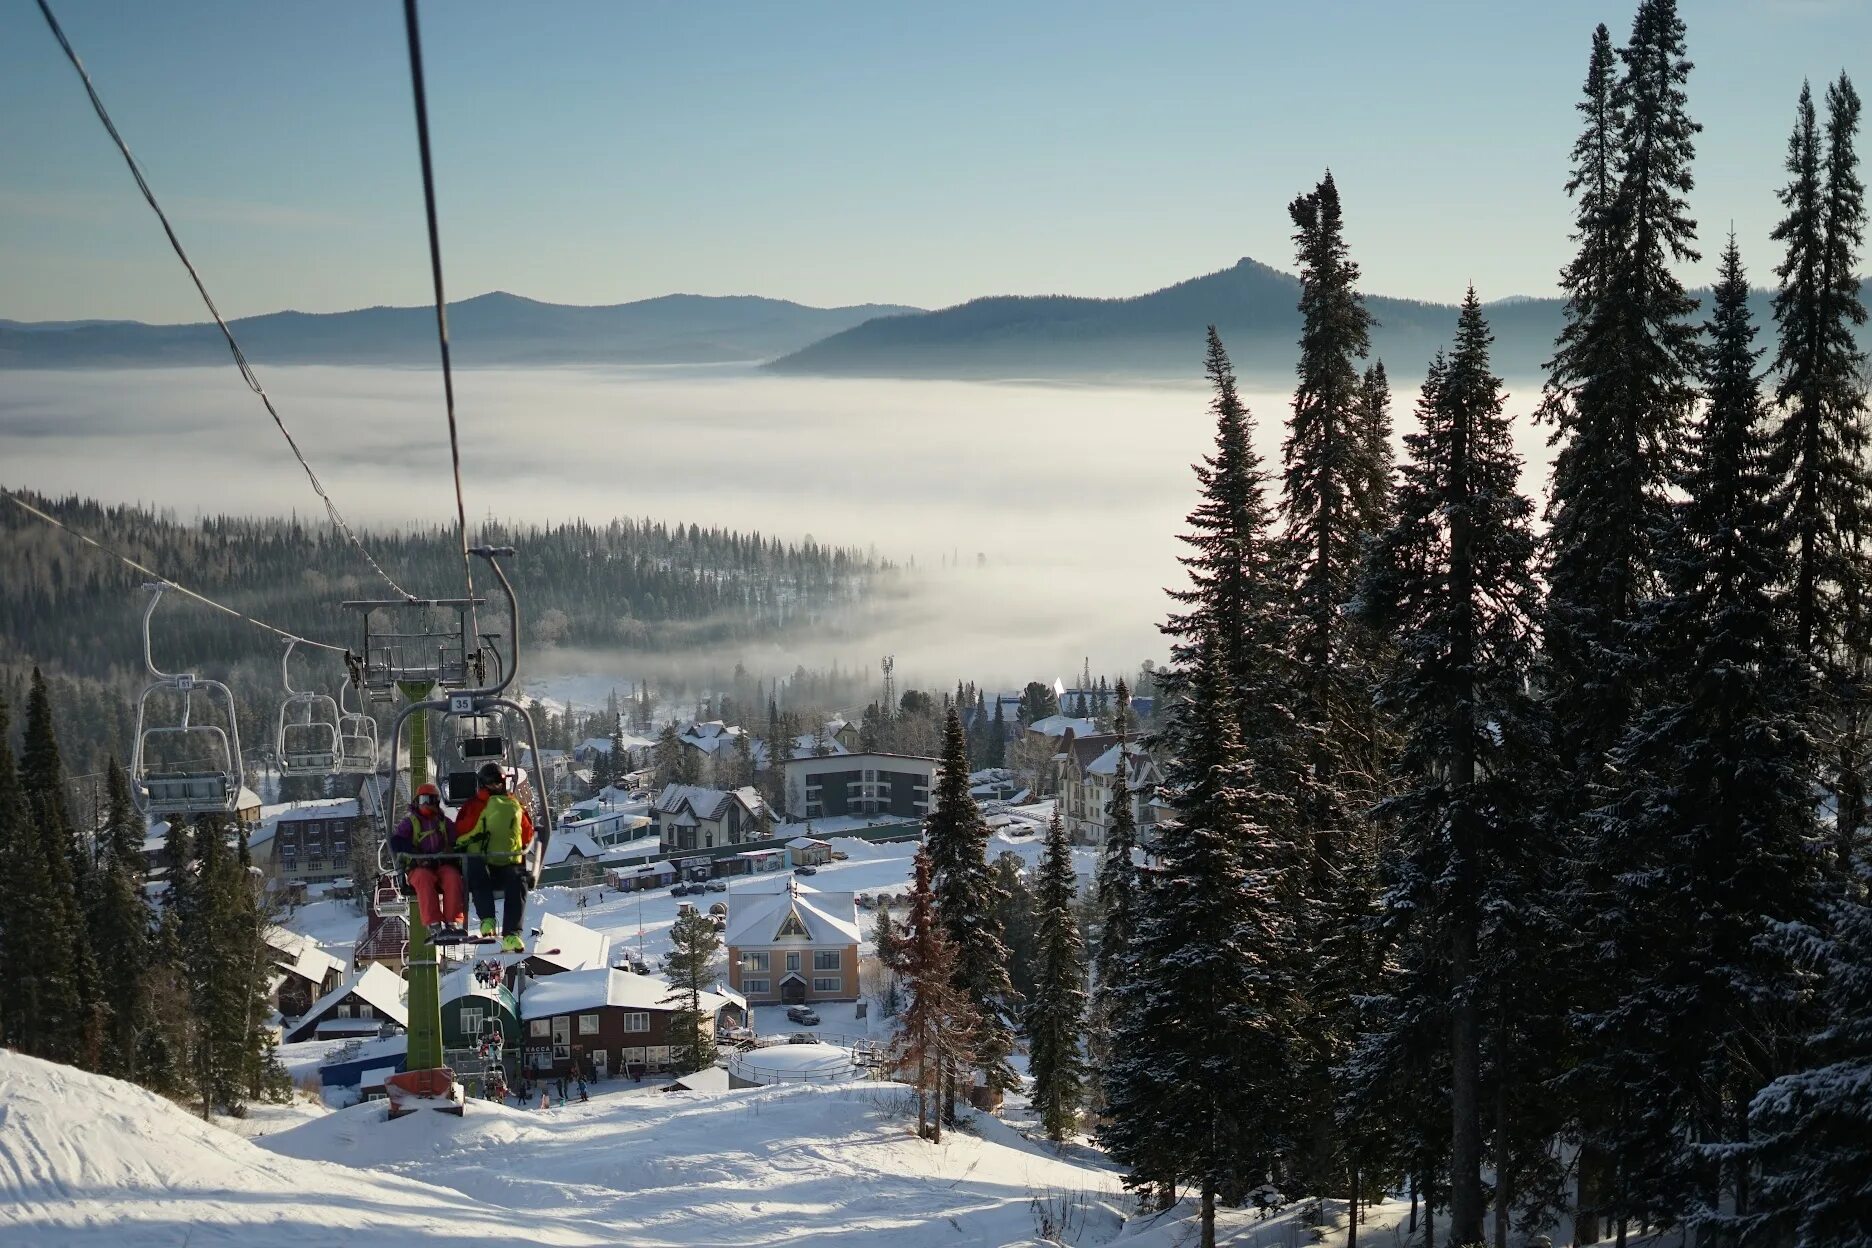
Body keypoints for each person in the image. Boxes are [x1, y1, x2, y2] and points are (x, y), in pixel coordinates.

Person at [456, 761, 535, 952]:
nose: (495, 787)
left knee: (518, 878)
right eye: (491, 783)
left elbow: (526, 833)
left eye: (498, 783)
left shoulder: (513, 804)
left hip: (506, 863)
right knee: (476, 869)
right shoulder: (474, 806)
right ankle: (487, 920)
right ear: (483, 784)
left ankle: (512, 934)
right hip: (482, 865)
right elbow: (460, 831)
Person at [389, 782, 466, 941]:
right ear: (417, 802)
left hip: (441, 865)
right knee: (424, 878)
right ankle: (434, 924)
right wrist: (414, 851)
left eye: (430, 800)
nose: (426, 804)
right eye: (423, 800)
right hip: (419, 866)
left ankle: (452, 922)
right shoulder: (411, 822)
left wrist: (453, 849)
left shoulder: (444, 823)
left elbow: (457, 839)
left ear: (437, 802)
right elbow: (396, 842)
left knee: (452, 876)